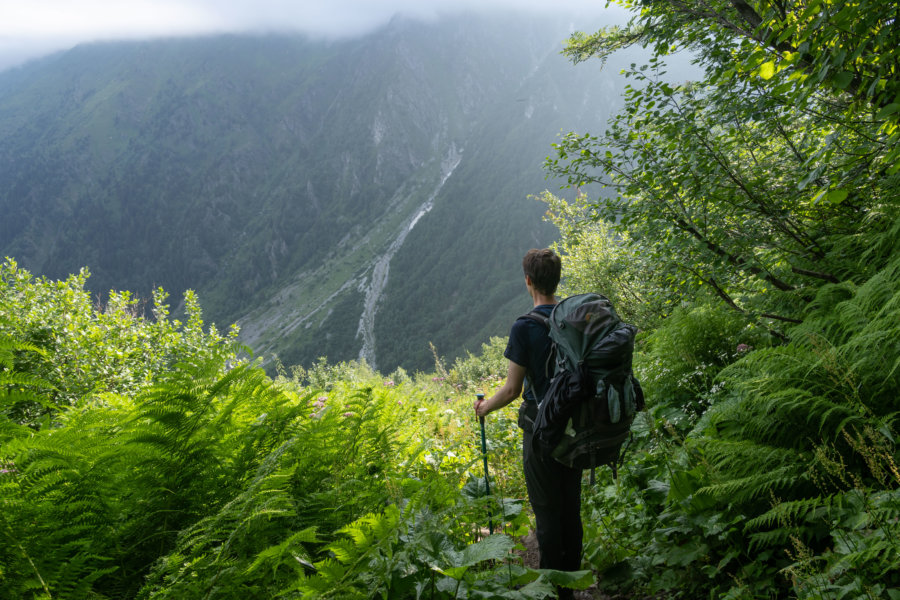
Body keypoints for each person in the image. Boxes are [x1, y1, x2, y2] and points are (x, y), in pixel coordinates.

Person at [473, 248, 583, 599]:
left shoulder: (524, 327)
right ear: (557, 280)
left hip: (541, 433)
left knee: (548, 514)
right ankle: (572, 581)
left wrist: (483, 408)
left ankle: (553, 591)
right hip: (575, 428)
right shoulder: (575, 318)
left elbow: (511, 390)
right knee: (570, 507)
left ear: (528, 281)